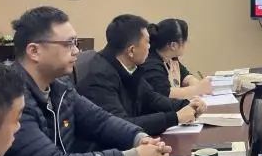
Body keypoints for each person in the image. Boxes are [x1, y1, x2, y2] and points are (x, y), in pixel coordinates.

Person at [1, 6, 170, 156]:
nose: (76, 51)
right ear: (34, 51)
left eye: (76, 43)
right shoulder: (11, 98)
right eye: (68, 44)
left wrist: (141, 139)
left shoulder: (60, 87)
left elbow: (101, 121)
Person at [78, 14, 206, 135]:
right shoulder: (99, 76)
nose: (150, 47)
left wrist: (185, 105)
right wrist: (175, 118)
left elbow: (151, 98)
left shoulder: (130, 66)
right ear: (132, 50)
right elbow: (120, 125)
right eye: (147, 42)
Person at [142, 18, 213, 100]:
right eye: (185, 41)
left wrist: (197, 84)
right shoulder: (151, 64)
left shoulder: (171, 58)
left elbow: (186, 76)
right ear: (173, 45)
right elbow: (165, 94)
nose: (186, 43)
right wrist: (197, 89)